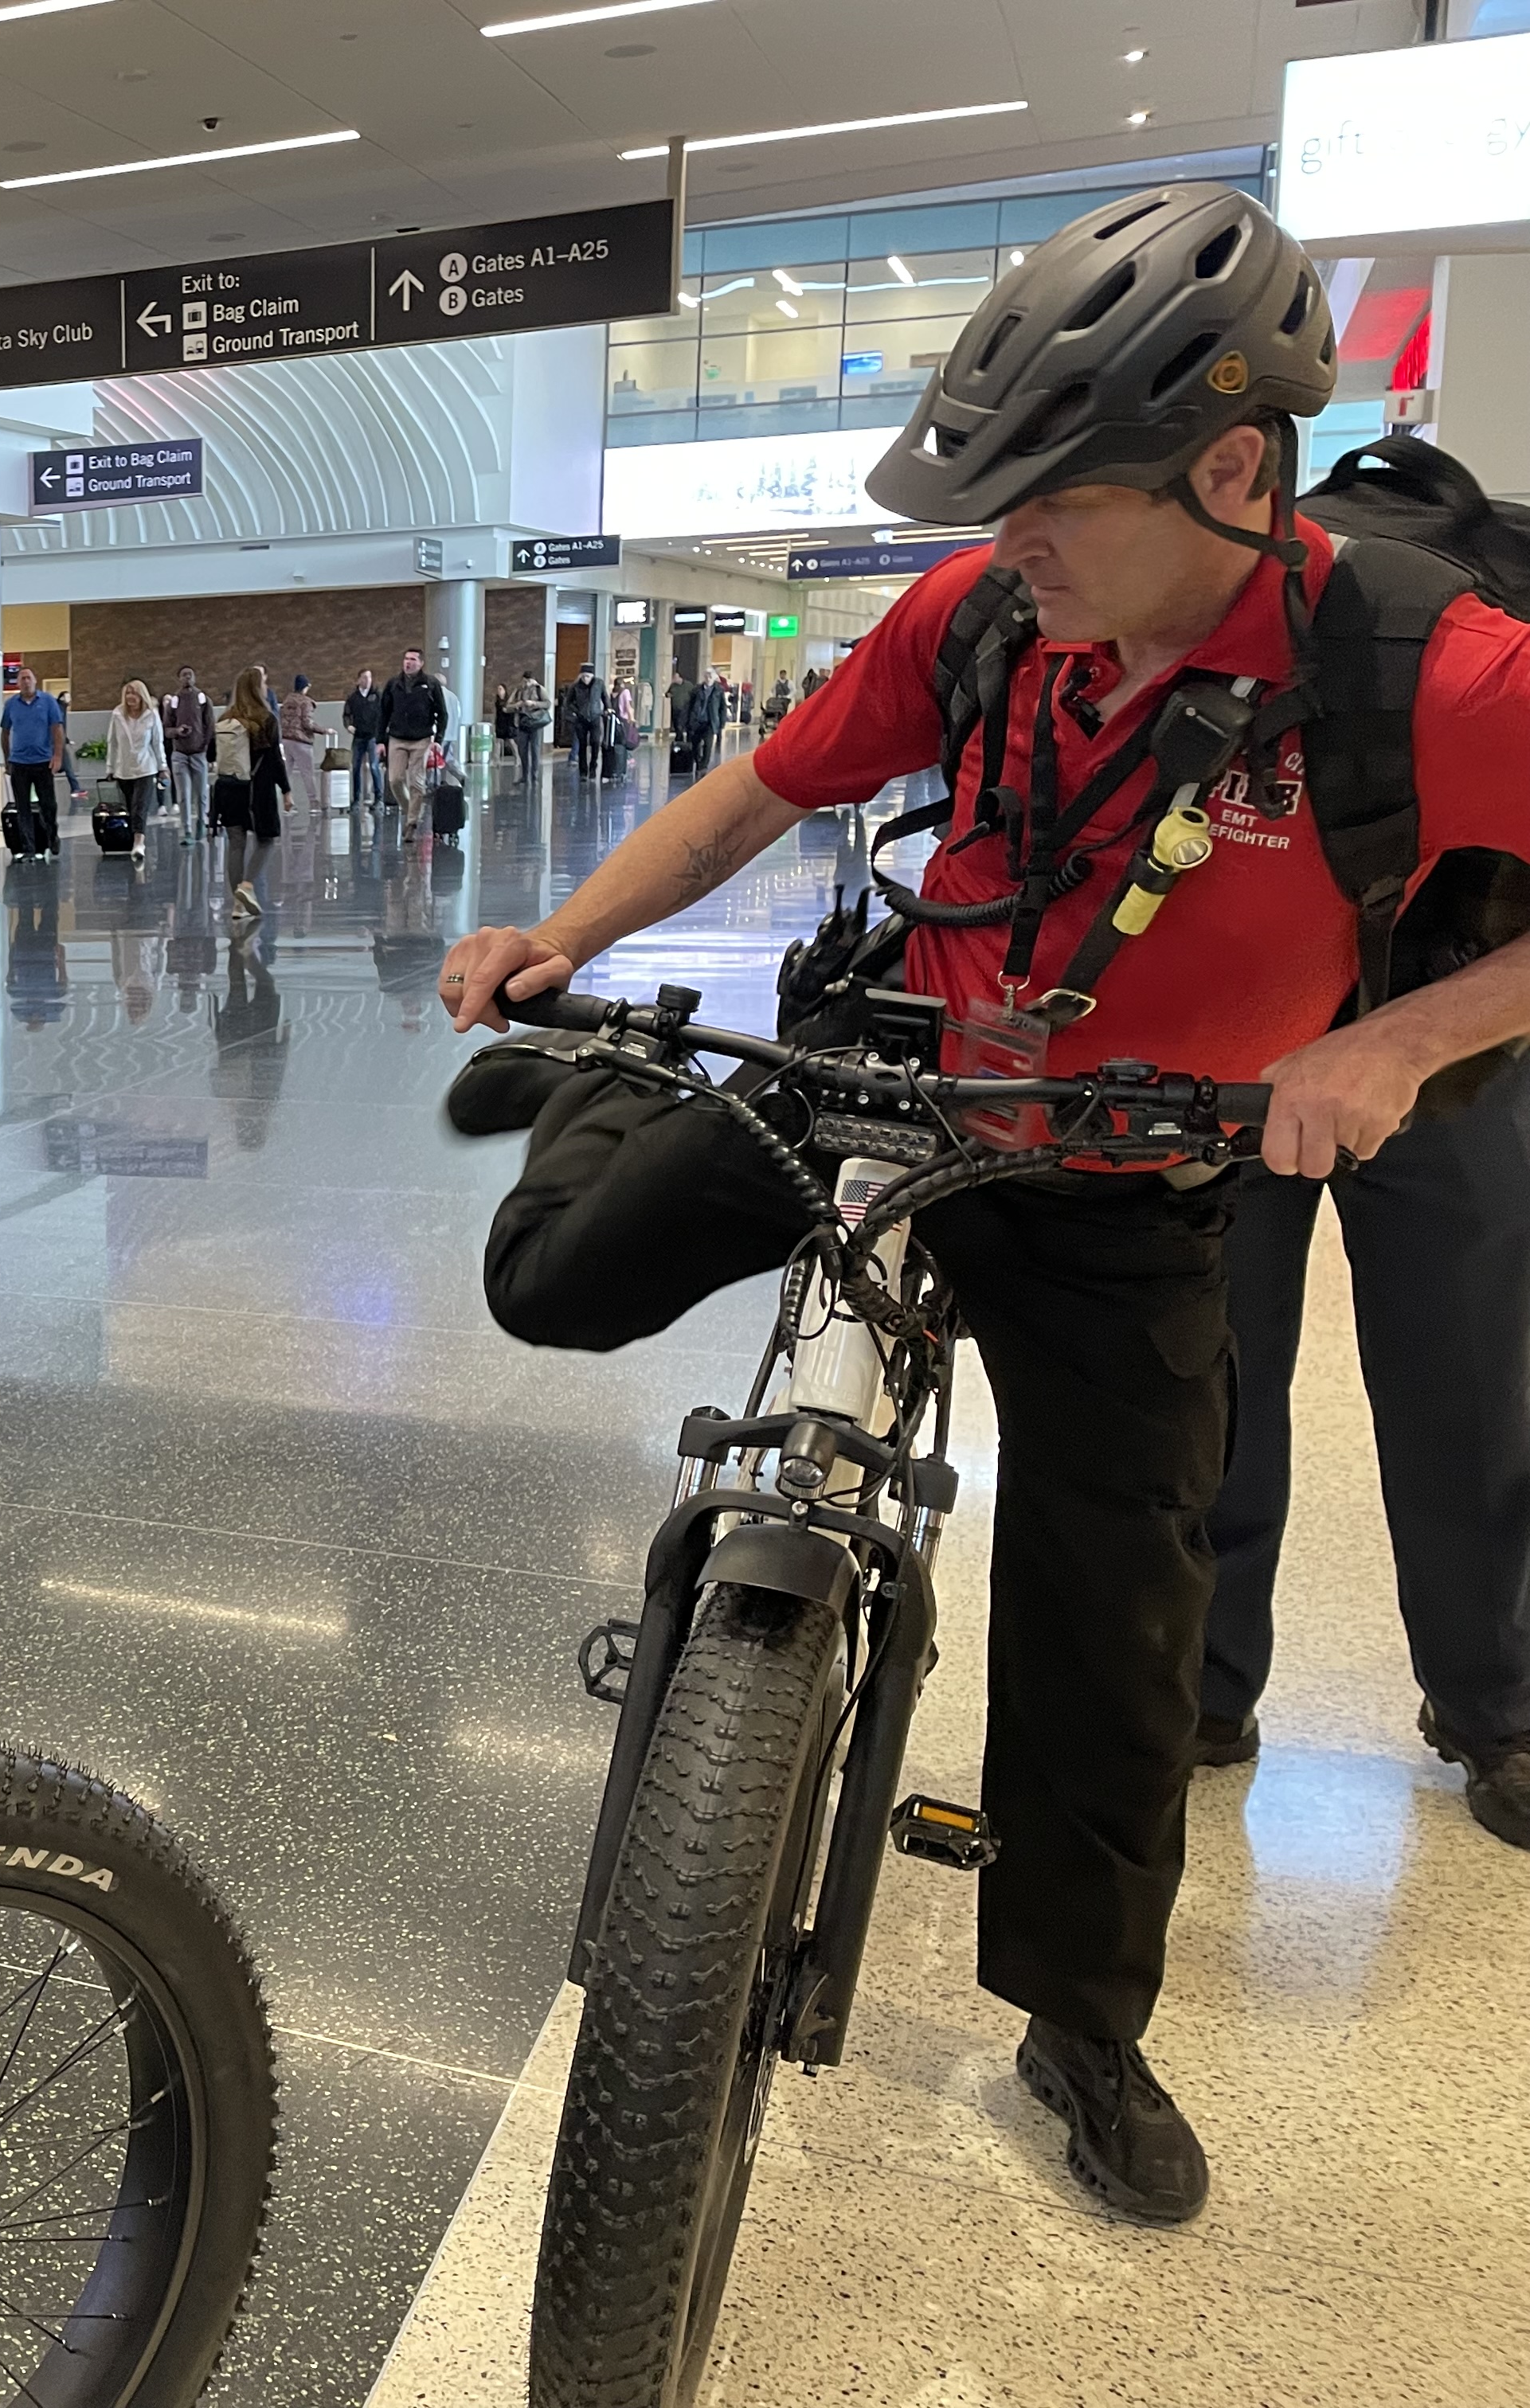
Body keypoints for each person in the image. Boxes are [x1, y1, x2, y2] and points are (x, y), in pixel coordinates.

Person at [439, 185, 1530, 2230]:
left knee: (1124, 1610)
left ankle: (1082, 2030)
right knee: (556, 1279)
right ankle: (587, 1094)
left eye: (1055, 497)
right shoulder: (980, 617)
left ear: (1230, 469)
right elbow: (759, 793)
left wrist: (1393, 1045)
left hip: (1129, 1176)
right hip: (906, 1075)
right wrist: (561, 931)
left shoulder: (1423, 671)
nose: (1004, 539)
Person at [1196, 1057, 1530, 1843]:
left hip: (1451, 1028)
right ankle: (1197, 1678)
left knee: (1471, 1382)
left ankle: (1496, 1705)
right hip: (1241, 1020)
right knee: (1210, 1364)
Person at [211, 663, 287, 918]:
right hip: (258, 791)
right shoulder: (266, 720)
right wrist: (286, 791)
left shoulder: (224, 719)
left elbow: (212, 753)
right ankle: (247, 886)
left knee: (236, 845)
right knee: (266, 840)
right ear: (258, 689)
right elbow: (276, 759)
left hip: (228, 789)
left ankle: (237, 906)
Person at [0, 663, 76, 858]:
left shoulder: (48, 702)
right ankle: (28, 848)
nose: (25, 682)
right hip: (20, 763)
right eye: (22, 679)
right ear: (18, 683)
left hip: (42, 762)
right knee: (22, 807)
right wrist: (7, 759)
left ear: (35, 681)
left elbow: (57, 730)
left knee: (48, 805)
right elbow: (5, 732)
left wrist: (57, 756)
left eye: (28, 678)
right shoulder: (11, 705)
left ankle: (52, 836)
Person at [378, 646, 447, 811]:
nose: (408, 662)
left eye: (413, 659)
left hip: (421, 739)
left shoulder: (431, 684)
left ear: (421, 663)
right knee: (395, 780)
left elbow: (442, 713)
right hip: (397, 737)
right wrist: (380, 741)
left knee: (416, 782)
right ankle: (410, 809)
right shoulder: (393, 684)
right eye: (406, 659)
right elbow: (383, 713)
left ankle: (412, 822)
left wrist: (438, 740)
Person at [102, 678, 164, 824]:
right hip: (124, 769)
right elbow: (113, 742)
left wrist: (162, 766)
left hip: (146, 768)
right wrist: (110, 768)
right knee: (130, 808)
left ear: (142, 696)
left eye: (134, 693)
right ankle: (133, 838)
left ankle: (139, 841)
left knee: (140, 808)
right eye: (128, 693)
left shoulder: (152, 714)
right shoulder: (117, 714)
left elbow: (157, 742)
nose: (130, 696)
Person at [162, 665, 214, 824]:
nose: (187, 678)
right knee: (183, 794)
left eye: (190, 675)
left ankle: (201, 821)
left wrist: (205, 748)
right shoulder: (174, 701)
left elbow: (210, 725)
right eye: (184, 675)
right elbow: (166, 729)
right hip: (180, 754)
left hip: (198, 752)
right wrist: (177, 731)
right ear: (179, 679)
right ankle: (187, 829)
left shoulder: (203, 698)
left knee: (201, 794)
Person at [277, 672, 324, 810]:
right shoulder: (306, 702)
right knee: (308, 774)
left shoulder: (286, 701)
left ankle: (288, 804)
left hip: (286, 741)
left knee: (287, 774)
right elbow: (307, 724)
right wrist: (324, 730)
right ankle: (314, 804)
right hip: (302, 743)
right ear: (305, 687)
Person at [343, 667, 386, 806]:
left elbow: (384, 714)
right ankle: (356, 799)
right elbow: (346, 715)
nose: (367, 680)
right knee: (355, 767)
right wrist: (348, 725)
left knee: (374, 767)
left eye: (369, 677)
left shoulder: (377, 696)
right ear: (358, 680)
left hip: (373, 736)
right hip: (359, 737)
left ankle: (378, 798)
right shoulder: (353, 698)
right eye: (364, 677)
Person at [507, 670, 550, 789]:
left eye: (528, 681)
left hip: (536, 723)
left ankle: (534, 776)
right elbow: (508, 706)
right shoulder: (519, 690)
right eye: (525, 681)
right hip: (522, 722)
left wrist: (534, 703)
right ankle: (525, 776)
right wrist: (518, 705)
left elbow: (547, 704)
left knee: (535, 750)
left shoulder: (540, 689)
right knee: (522, 750)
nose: (527, 684)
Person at [562, 664, 605, 780]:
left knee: (595, 742)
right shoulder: (575, 686)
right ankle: (583, 772)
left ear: (592, 676)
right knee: (582, 745)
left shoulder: (599, 684)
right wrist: (577, 711)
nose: (585, 679)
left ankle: (593, 767)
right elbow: (568, 702)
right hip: (581, 719)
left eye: (588, 676)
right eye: (584, 676)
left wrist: (608, 708)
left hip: (595, 716)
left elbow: (605, 697)